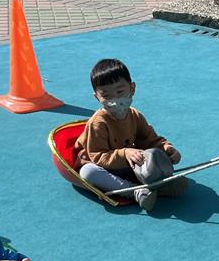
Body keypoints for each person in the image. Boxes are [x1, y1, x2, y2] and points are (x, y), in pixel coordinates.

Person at [74, 58, 184, 212]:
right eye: (106, 96)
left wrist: (167, 149)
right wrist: (125, 153)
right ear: (97, 97)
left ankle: (161, 186)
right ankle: (135, 191)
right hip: (102, 167)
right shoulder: (98, 123)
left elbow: (150, 140)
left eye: (120, 92)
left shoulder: (135, 115)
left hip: (126, 164)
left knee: (153, 154)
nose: (115, 100)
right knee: (88, 172)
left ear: (132, 88)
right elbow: (98, 157)